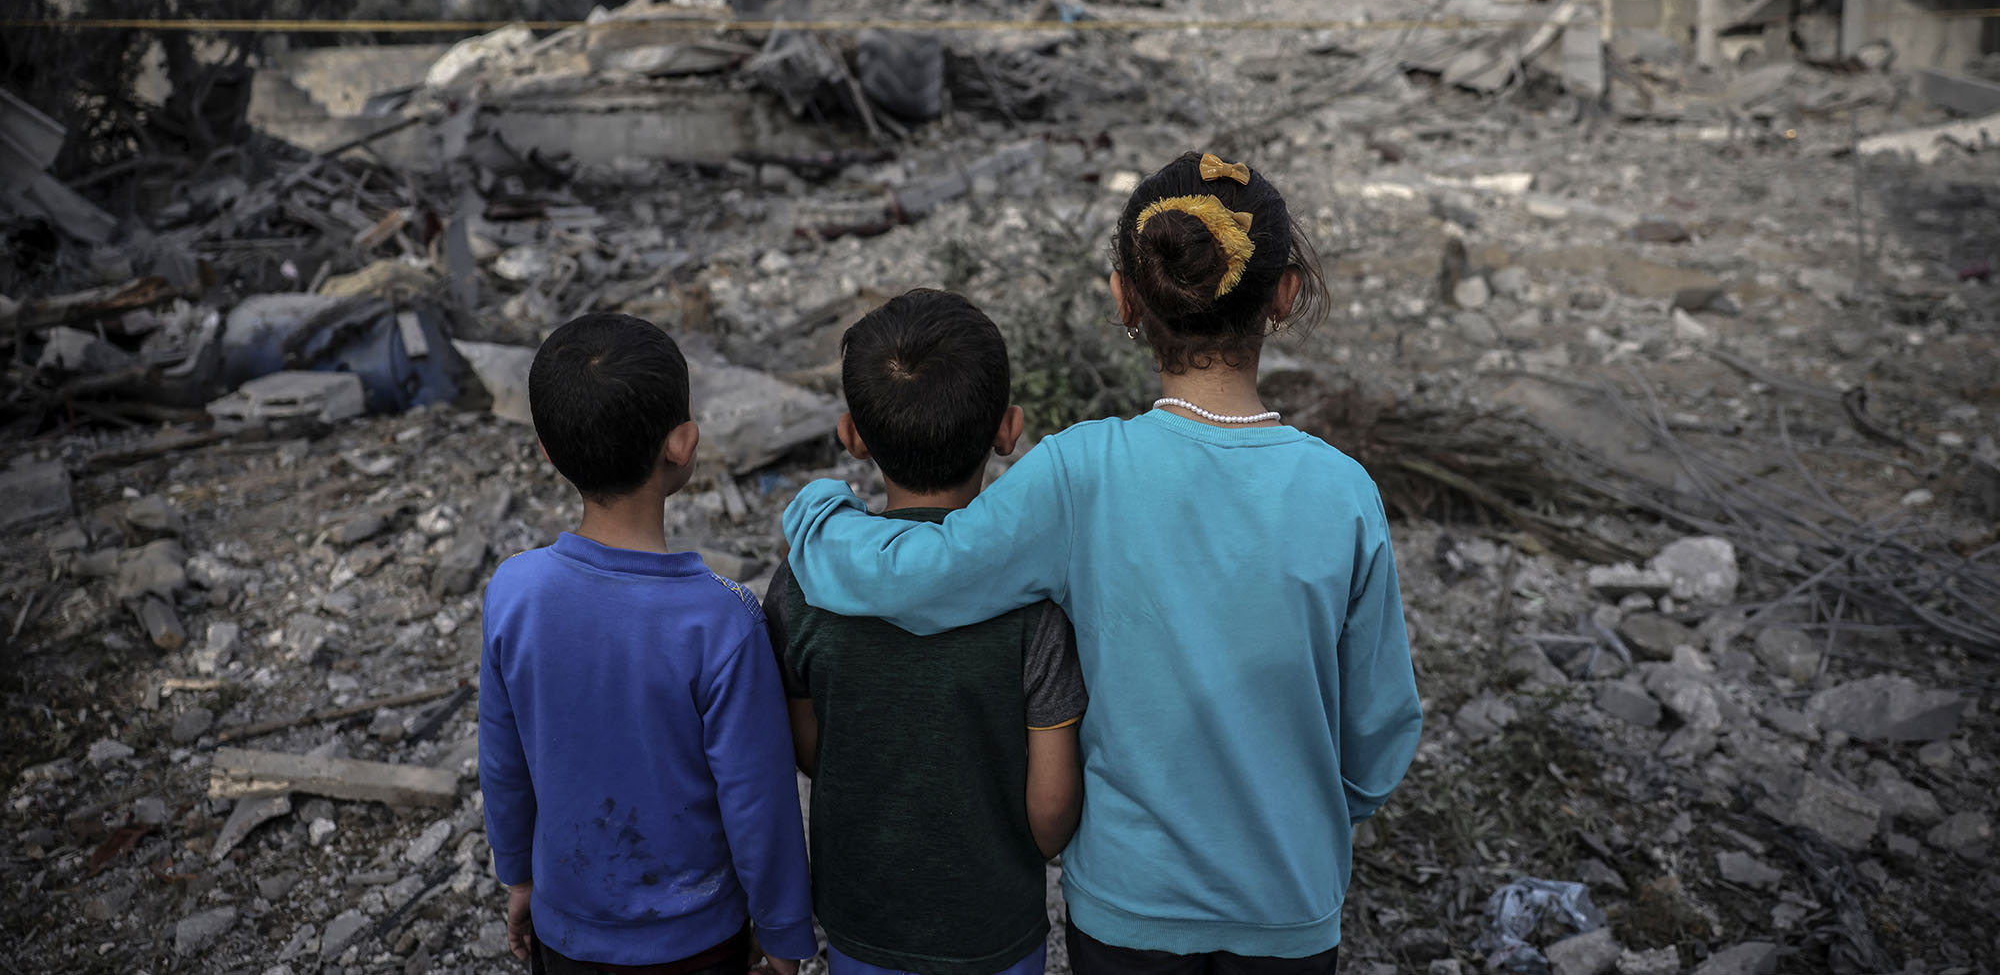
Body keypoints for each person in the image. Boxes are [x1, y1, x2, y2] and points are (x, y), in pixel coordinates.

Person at [784, 152, 1423, 975]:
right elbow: (1380, 725)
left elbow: (920, 573)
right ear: (1286, 295)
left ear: (1125, 297)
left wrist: (815, 513)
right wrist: (1315, 814)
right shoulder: (1343, 492)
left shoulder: (1081, 471)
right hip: (1290, 900)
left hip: (1128, 906)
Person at [480, 313, 815, 975]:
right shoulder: (723, 621)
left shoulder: (513, 592)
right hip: (697, 942)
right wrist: (782, 933)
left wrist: (519, 877)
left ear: (545, 449)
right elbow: (758, 801)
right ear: (684, 443)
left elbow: (503, 761)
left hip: (564, 927)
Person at [764, 288, 1087, 975]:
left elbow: (811, 749)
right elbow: (1051, 814)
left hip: (860, 921)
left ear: (852, 436)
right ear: (1009, 430)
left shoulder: (802, 584)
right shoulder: (1037, 605)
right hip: (995, 929)